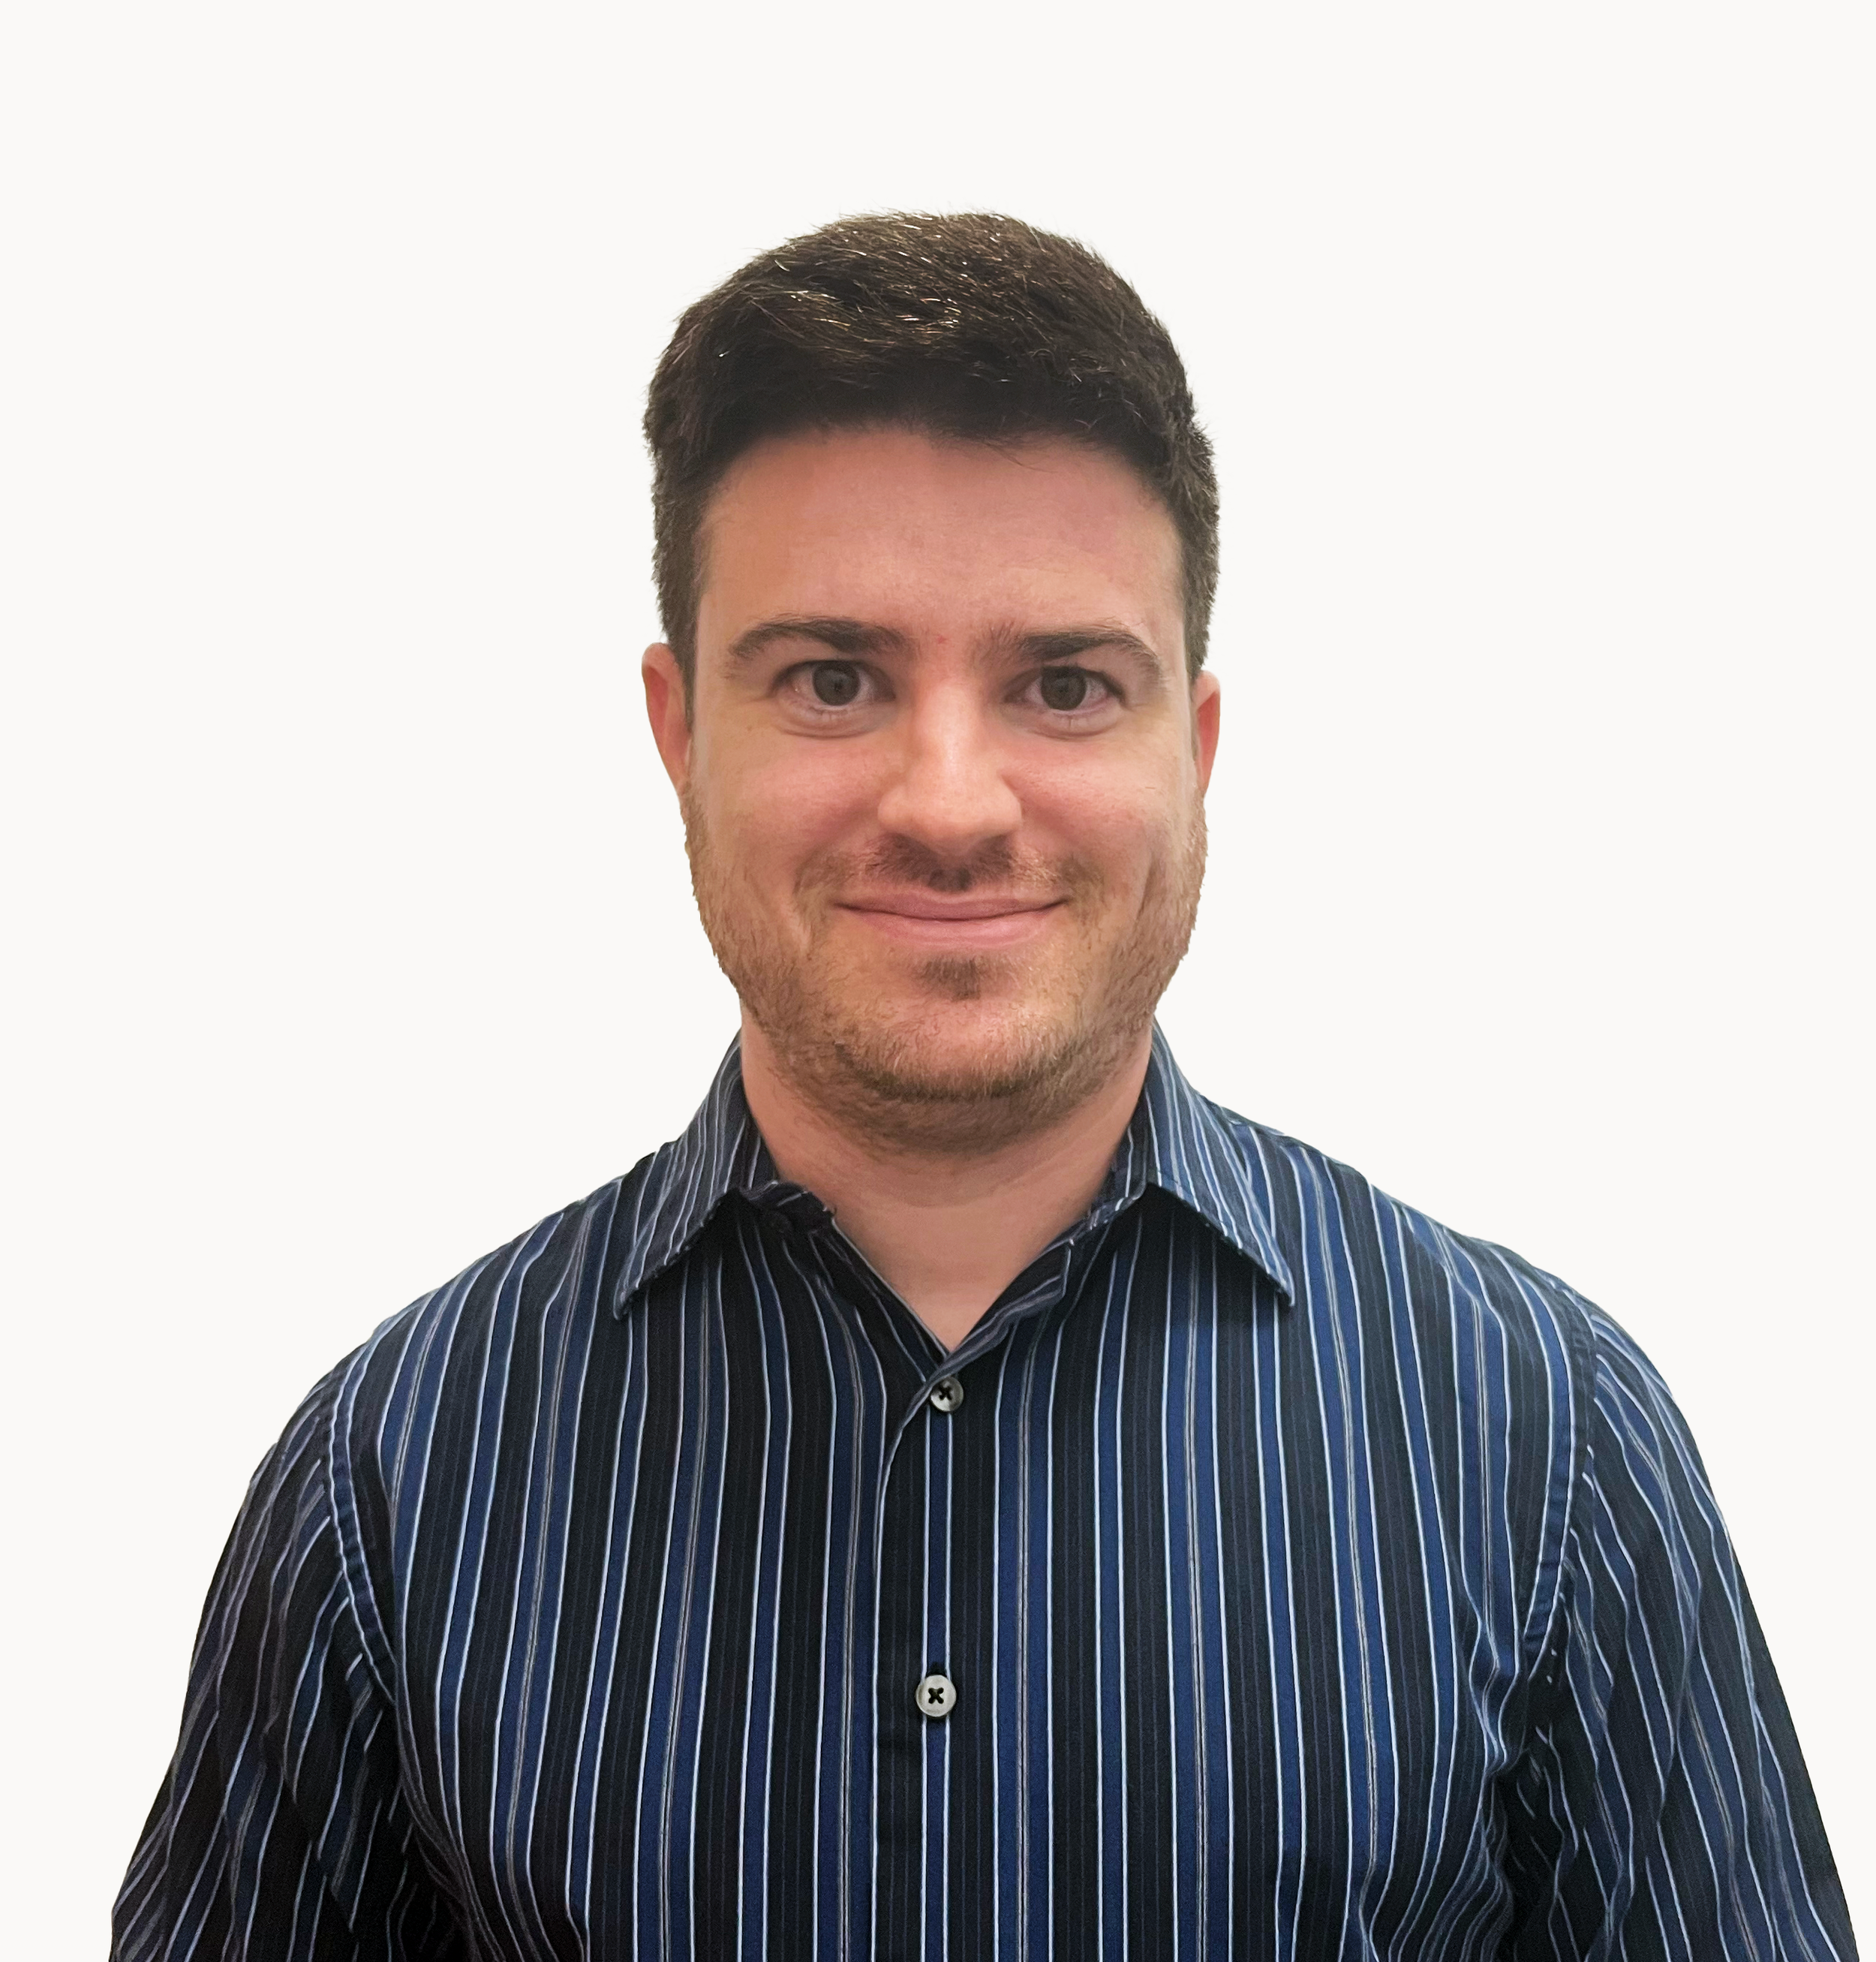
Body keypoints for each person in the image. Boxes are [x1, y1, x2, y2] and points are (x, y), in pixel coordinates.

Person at [113, 213, 1856, 1962]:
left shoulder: (1542, 1437)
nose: (950, 800)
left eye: (1063, 685)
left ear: (1194, 747)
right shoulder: (394, 1474)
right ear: (676, 734)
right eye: (833, 678)